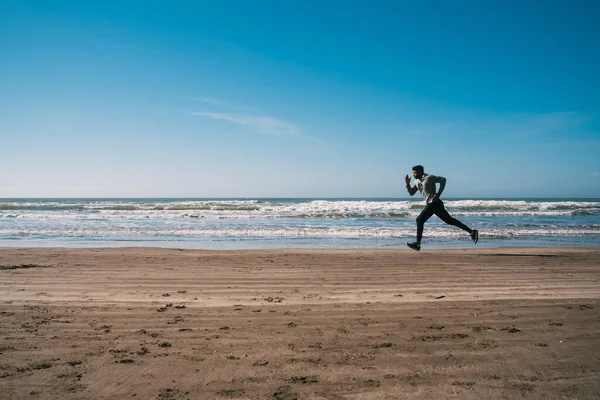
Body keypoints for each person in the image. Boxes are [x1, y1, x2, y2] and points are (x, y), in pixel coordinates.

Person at [404, 165, 478, 251]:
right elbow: (411, 193)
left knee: (419, 220)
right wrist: (407, 184)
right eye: (413, 173)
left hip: (434, 203)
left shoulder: (429, 177)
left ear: (420, 171)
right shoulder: (416, 182)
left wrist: (438, 193)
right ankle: (472, 232)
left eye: (415, 172)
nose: (414, 174)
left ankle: (417, 244)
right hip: (434, 204)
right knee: (450, 220)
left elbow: (443, 179)